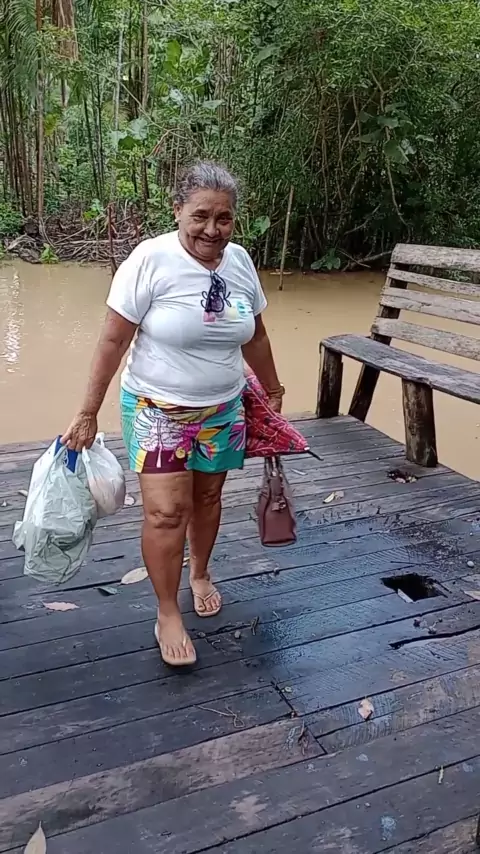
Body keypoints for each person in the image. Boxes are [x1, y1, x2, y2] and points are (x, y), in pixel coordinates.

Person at [61, 161, 283, 667]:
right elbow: (113, 341)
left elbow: (257, 334)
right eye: (200, 215)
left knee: (207, 498)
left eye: (223, 218)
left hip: (223, 408)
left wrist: (272, 388)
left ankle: (199, 573)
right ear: (177, 210)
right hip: (156, 409)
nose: (212, 229)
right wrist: (87, 412)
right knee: (165, 513)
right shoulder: (149, 260)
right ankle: (167, 611)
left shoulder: (240, 263)